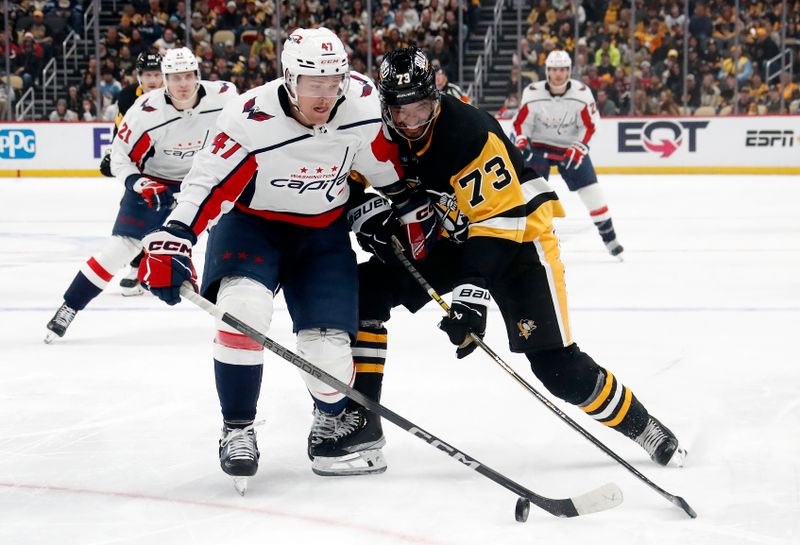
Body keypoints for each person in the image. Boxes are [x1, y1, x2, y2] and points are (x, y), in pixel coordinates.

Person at [345, 47, 687, 475]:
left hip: (520, 237)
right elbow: (349, 179)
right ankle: (362, 421)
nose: (411, 123)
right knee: (361, 295)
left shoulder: (469, 132)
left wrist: (471, 298)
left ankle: (644, 426)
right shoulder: (375, 133)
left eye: (420, 109)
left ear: (435, 96)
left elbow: (499, 221)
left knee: (556, 369)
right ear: (385, 107)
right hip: (456, 237)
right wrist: (365, 211)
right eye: (401, 113)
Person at [135, 28, 402, 492]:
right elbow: (208, 181)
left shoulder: (362, 103)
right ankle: (237, 427)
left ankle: (330, 417)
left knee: (328, 357)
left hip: (322, 233)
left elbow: (384, 167)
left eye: (333, 81)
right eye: (313, 84)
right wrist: (176, 235)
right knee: (243, 315)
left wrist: (400, 210)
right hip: (252, 226)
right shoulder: (249, 115)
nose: (325, 95)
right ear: (288, 77)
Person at [45, 47, 236, 343]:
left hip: (202, 182)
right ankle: (69, 306)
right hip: (154, 182)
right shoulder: (145, 111)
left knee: (230, 240)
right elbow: (120, 158)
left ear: (198, 77)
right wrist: (139, 184)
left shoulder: (225, 97)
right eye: (174, 78)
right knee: (119, 250)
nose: (182, 84)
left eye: (188, 76)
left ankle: (233, 311)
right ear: (165, 80)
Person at [512, 50, 624, 258]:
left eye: (563, 69)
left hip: (570, 148)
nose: (558, 74)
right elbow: (521, 123)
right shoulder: (532, 91)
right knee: (531, 196)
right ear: (547, 71)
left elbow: (590, 125)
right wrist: (521, 140)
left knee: (593, 193)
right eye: (554, 69)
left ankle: (610, 238)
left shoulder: (581, 93)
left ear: (569, 71)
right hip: (538, 148)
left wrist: (580, 146)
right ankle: (530, 241)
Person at [99, 51, 166, 295]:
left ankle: (160, 267)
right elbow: (121, 132)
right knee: (137, 212)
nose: (153, 80)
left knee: (168, 217)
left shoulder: (174, 96)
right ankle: (138, 266)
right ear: (139, 76)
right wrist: (113, 154)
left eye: (157, 74)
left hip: (171, 167)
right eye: (148, 74)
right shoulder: (127, 97)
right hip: (141, 166)